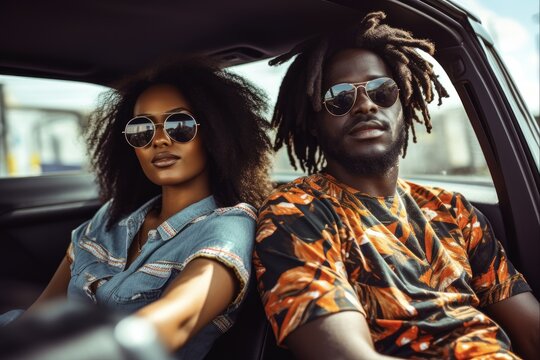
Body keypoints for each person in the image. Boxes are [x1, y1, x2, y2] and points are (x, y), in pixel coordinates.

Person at [254, 11, 539, 360]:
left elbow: (531, 333)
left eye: (382, 90)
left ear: (402, 102)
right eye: (340, 98)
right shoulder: (297, 212)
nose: (365, 104)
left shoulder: (454, 210)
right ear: (314, 122)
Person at [1, 59, 272, 359]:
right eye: (142, 129)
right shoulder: (111, 216)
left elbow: (172, 324)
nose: (159, 140)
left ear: (215, 133)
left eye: (179, 125)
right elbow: (40, 313)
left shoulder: (229, 227)